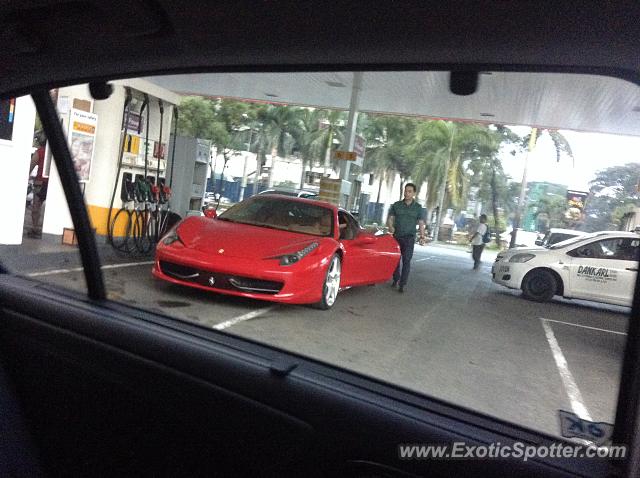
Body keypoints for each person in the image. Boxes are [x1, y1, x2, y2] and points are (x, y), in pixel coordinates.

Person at [386, 183, 427, 293]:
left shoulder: (418, 208)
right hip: (397, 237)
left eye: (409, 191)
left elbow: (421, 223)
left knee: (406, 261)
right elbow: (390, 218)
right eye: (405, 191)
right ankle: (396, 279)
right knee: (396, 260)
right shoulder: (396, 205)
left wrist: (422, 236)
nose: (407, 193)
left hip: (409, 239)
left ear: (414, 193)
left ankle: (402, 284)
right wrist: (391, 227)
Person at [27, 132, 47, 238]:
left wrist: (27, 175)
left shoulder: (39, 152)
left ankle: (35, 228)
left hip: (40, 183)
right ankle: (42, 228)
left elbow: (31, 164)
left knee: (36, 207)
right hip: (50, 184)